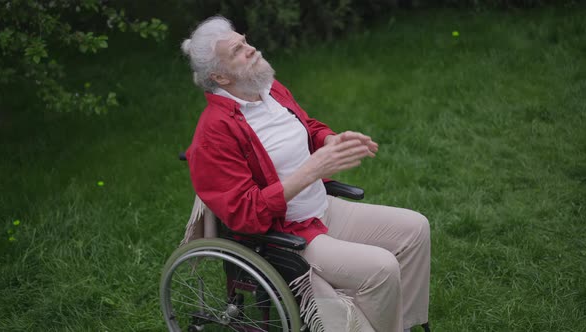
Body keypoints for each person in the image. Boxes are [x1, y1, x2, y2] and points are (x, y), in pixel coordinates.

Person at [181, 15, 431, 332]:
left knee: (415, 229)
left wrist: (329, 140)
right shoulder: (214, 134)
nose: (251, 49)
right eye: (238, 50)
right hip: (289, 235)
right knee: (381, 268)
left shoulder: (269, 91)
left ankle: (398, 324)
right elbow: (245, 213)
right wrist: (312, 169)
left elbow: (306, 127)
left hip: (322, 209)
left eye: (244, 40)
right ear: (220, 77)